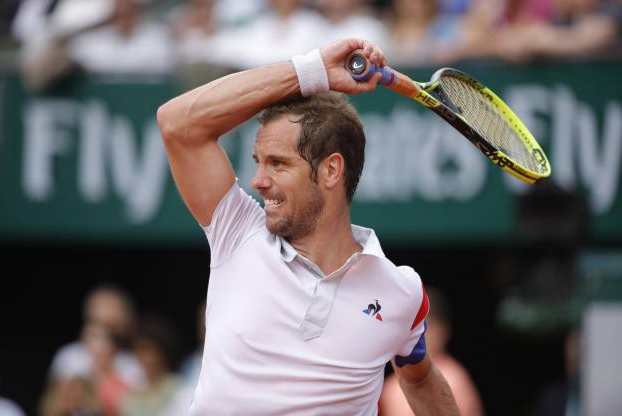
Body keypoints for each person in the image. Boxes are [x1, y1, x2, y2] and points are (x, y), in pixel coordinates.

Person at [157, 37, 459, 414]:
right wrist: (312, 71)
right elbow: (177, 123)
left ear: (331, 170)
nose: (257, 180)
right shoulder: (236, 231)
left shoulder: (401, 293)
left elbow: (419, 377)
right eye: (258, 162)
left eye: (278, 163)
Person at [380, 287, 484, 416]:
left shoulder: (455, 378)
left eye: (425, 328)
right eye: (412, 328)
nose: (417, 336)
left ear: (443, 331)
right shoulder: (389, 387)